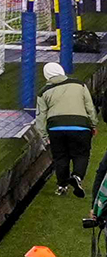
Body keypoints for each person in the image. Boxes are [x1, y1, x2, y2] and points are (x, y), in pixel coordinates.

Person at [37, 61, 96, 198]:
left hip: (56, 128)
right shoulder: (79, 85)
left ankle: (62, 186)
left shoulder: (43, 92)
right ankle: (77, 176)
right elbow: (89, 107)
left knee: (60, 157)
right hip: (80, 126)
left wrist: (45, 136)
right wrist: (93, 124)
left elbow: (40, 117)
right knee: (81, 154)